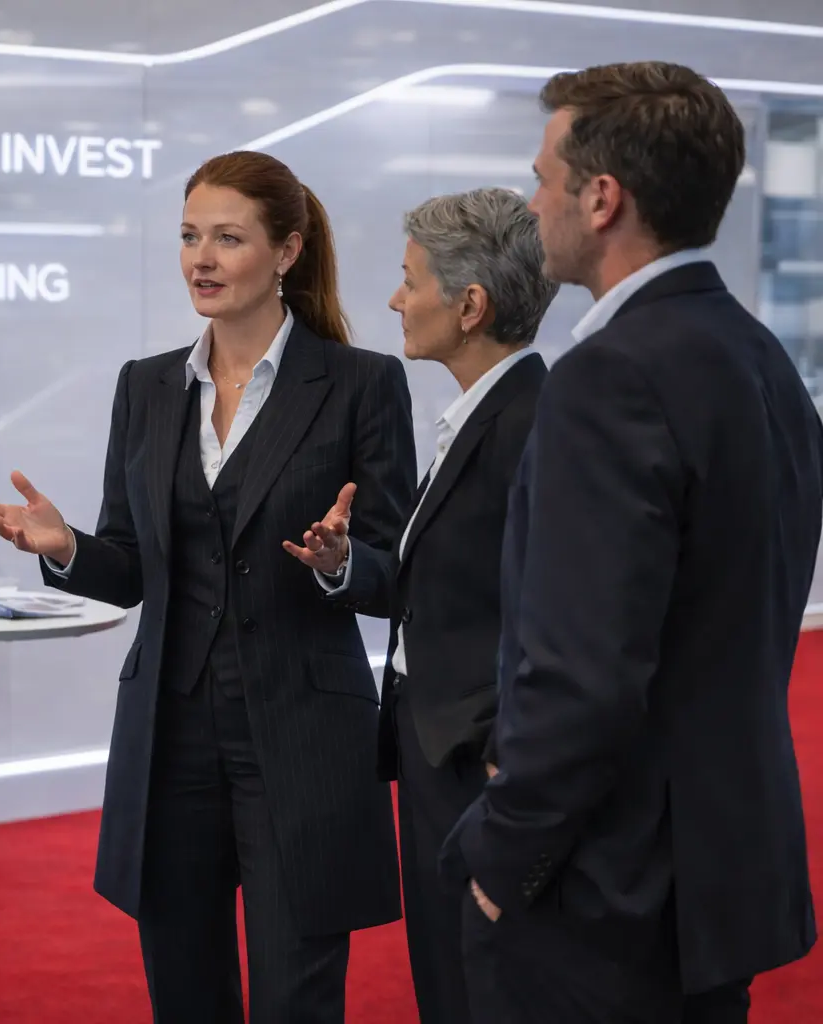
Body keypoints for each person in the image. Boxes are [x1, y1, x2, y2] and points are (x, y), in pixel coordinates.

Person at [0, 150, 415, 1023]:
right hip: (169, 737)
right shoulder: (146, 386)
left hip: (303, 735)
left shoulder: (361, 383)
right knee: (184, 996)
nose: (201, 260)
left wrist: (340, 562)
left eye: (228, 239)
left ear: (287, 251)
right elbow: (131, 570)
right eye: (188, 237)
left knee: (295, 999)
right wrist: (67, 548)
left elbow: (397, 569)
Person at [440, 61, 823, 1023]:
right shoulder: (760, 358)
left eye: (543, 178)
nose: (533, 204)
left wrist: (501, 859)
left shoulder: (609, 377)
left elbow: (584, 673)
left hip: (600, 893)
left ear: (602, 198)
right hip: (715, 878)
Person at [364, 188, 556, 1023]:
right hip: (439, 749)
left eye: (411, 281)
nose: (396, 300)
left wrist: (504, 772)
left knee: (477, 989)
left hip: (480, 764)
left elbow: (552, 622)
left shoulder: (533, 425)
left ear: (470, 306)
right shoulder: (483, 416)